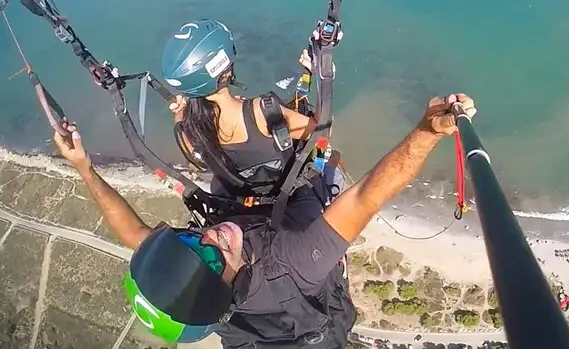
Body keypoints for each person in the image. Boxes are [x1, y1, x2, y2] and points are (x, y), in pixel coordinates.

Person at [52, 92, 477, 348]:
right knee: (332, 163)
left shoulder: (202, 276)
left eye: (187, 241)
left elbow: (135, 235)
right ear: (232, 286)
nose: (209, 237)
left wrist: (84, 167)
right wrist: (429, 129)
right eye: (214, 260)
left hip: (252, 209)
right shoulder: (295, 265)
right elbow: (370, 194)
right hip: (297, 218)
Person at [160, 19, 316, 196]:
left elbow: (196, 160)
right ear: (224, 71)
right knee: (334, 158)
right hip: (283, 191)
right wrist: (323, 77)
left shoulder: (186, 123)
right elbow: (319, 133)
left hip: (240, 195)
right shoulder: (261, 110)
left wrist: (180, 111)